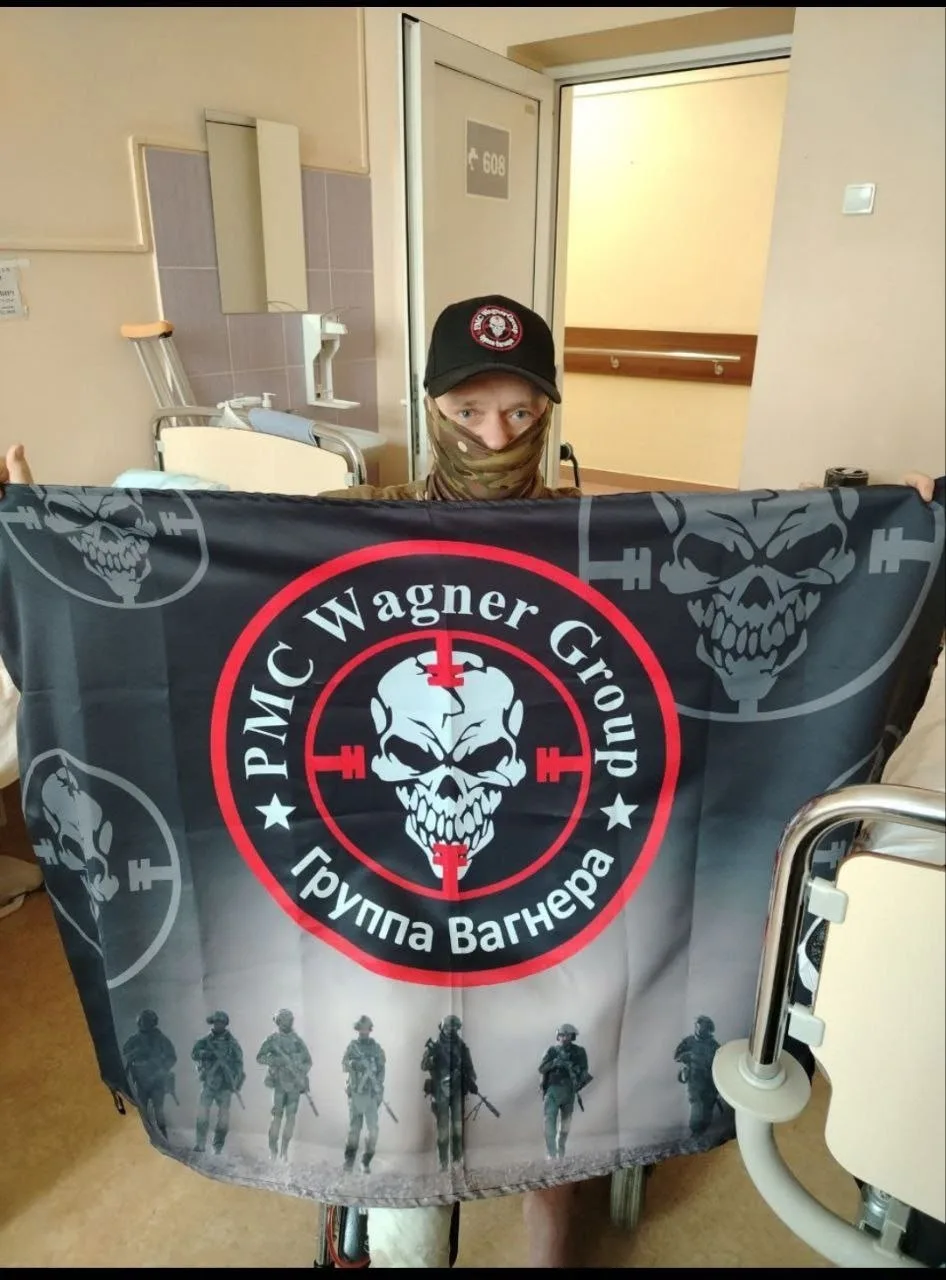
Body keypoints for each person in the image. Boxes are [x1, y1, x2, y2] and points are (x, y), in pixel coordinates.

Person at [0, 329, 939, 1267]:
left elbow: (728, 601)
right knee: (376, 1036)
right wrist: (37, 524)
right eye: (470, 410)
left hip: (551, 892)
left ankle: (552, 1229)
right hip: (374, 886)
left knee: (567, 1050)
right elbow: (203, 579)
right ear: (432, 408)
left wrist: (891, 528)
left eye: (522, 411)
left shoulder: (597, 537)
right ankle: (367, 1209)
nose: (496, 436)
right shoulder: (348, 523)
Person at [421, 1014, 480, 1173]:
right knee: (442, 1129)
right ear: (442, 1027)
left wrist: (470, 1080)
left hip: (457, 1092)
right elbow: (424, 1066)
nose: (450, 1030)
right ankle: (443, 1162)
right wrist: (432, 1058)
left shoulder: (461, 1047)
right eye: (448, 1027)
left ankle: (457, 1160)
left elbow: (470, 1069)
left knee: (457, 1128)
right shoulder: (434, 1046)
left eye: (454, 1028)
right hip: (440, 1091)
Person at [255, 1007, 313, 1161]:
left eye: (289, 1020)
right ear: (278, 1022)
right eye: (284, 1020)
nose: (287, 1023)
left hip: (294, 1084)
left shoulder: (297, 1041)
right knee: (276, 1118)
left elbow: (308, 1062)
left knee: (291, 1119)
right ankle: (273, 1151)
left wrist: (298, 1068)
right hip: (279, 1083)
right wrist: (277, 1061)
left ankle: (284, 1151)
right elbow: (260, 1057)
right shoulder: (272, 1040)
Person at [191, 1009, 245, 1155]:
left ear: (225, 1024)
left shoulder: (232, 1044)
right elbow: (194, 1054)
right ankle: (200, 1144)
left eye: (221, 1022)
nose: (218, 1025)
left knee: (223, 1119)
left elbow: (239, 1064)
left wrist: (235, 1081)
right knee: (202, 1115)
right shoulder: (204, 1041)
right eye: (216, 1022)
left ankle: (218, 1146)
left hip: (225, 1085)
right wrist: (207, 1054)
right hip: (209, 1082)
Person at [538, 1024, 593, 1160]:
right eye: (562, 1035)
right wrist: (555, 1063)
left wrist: (576, 1074)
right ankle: (551, 1154)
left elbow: (584, 1071)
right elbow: (541, 1068)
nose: (564, 1038)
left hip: (569, 1091)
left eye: (567, 1035)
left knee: (565, 1125)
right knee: (549, 1122)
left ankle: (560, 1154)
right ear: (558, 1036)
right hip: (552, 1090)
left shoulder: (579, 1052)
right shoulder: (552, 1051)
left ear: (572, 1036)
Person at [122, 1008, 178, 1140]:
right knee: (142, 1111)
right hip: (140, 1080)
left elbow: (171, 1057)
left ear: (153, 1022)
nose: (145, 1024)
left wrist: (162, 1068)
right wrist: (136, 1053)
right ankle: (145, 1138)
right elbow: (126, 1054)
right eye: (143, 1021)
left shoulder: (161, 1039)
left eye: (148, 1021)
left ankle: (163, 1137)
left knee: (158, 1111)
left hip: (157, 1080)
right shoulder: (134, 1040)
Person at [341, 1014, 386, 1173]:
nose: (364, 1031)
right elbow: (344, 1064)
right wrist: (355, 1064)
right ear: (358, 1029)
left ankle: (366, 1161)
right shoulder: (352, 1046)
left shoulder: (376, 1048)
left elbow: (381, 1069)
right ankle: (349, 1161)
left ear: (370, 1029)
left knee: (373, 1130)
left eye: (366, 1028)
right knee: (354, 1130)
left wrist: (378, 1085)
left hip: (371, 1094)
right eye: (361, 1028)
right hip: (356, 1093)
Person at [673, 1015, 728, 1136]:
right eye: (698, 1026)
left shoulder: (715, 1046)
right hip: (694, 1078)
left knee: (708, 1104)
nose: (700, 1029)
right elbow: (676, 1056)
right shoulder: (688, 1042)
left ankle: (703, 1130)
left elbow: (722, 1063)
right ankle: (695, 1130)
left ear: (709, 1029)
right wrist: (686, 1056)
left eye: (703, 1027)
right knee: (696, 1102)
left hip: (709, 1080)